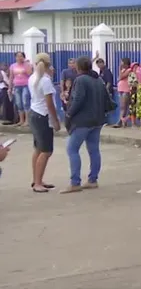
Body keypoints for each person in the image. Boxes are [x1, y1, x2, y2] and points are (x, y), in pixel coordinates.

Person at [61, 56, 111, 194]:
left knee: (72, 149)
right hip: (97, 120)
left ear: (78, 67)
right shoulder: (97, 79)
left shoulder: (81, 80)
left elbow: (78, 99)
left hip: (83, 120)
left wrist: (69, 114)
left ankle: (75, 182)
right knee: (94, 149)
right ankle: (92, 179)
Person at [27, 52, 60, 193]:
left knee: (38, 149)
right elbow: (49, 104)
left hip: (34, 113)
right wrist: (56, 120)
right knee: (46, 151)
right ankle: (38, 183)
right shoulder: (45, 80)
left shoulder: (33, 77)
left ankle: (37, 179)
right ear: (48, 65)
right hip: (43, 116)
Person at [11, 52, 32, 127]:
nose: (19, 58)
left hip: (25, 85)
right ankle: (21, 120)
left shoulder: (27, 65)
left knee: (25, 102)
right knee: (19, 103)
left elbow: (30, 74)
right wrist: (10, 88)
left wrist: (26, 65)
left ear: (24, 57)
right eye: (17, 56)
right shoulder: (13, 66)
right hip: (17, 86)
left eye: (21, 56)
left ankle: (27, 120)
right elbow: (11, 77)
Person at [112, 58, 133, 128]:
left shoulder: (129, 70)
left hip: (126, 90)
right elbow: (119, 78)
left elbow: (121, 77)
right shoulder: (123, 70)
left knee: (124, 106)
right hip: (120, 89)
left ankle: (120, 121)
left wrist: (119, 68)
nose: (121, 64)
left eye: (122, 63)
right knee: (122, 106)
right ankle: (122, 121)